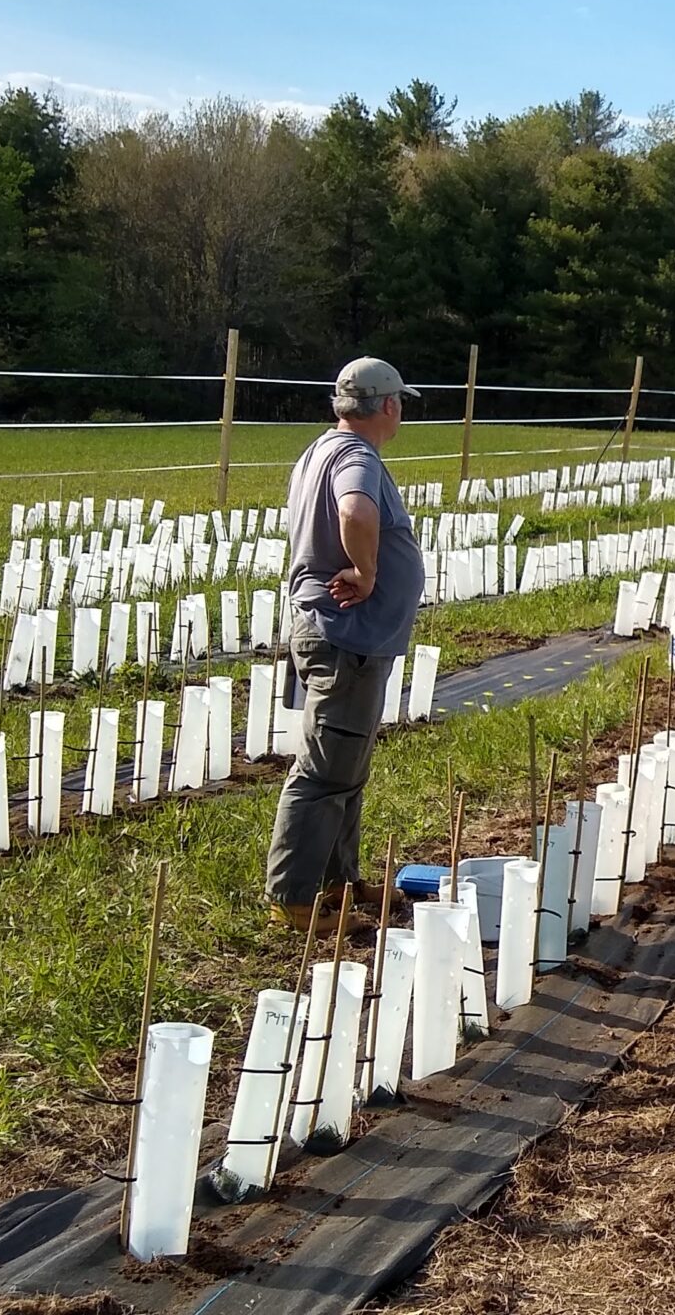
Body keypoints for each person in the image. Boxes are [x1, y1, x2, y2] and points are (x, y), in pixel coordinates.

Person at [265, 356, 426, 936]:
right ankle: (295, 896)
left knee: (346, 764)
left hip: (343, 634)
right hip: (345, 636)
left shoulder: (322, 449)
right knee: (325, 768)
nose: (402, 410)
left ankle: (338, 880)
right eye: (400, 401)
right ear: (388, 405)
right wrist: (366, 569)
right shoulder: (357, 457)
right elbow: (355, 509)